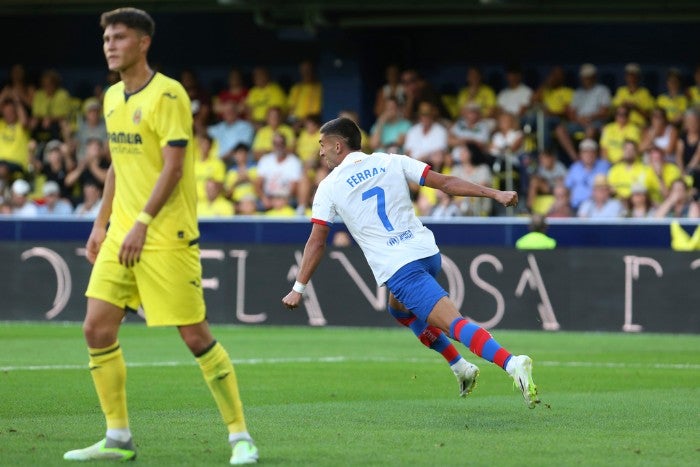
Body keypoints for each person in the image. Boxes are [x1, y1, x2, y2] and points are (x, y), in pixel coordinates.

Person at [62, 8, 258, 465]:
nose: (110, 44)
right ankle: (117, 437)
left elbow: (172, 167)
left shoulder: (168, 94)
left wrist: (142, 223)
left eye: (120, 37)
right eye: (106, 37)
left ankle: (240, 437)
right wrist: (100, 222)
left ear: (143, 43)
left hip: (165, 234)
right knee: (96, 327)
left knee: (194, 337)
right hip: (122, 234)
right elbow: (116, 165)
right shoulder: (111, 97)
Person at [282, 117, 540, 408]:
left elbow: (317, 241)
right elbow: (445, 183)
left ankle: (511, 363)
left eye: (323, 145)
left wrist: (299, 287)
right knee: (399, 309)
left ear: (338, 146)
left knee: (455, 325)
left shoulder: (329, 187)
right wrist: (495, 193)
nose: (320, 152)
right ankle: (459, 366)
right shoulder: (392, 160)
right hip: (427, 253)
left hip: (401, 268)